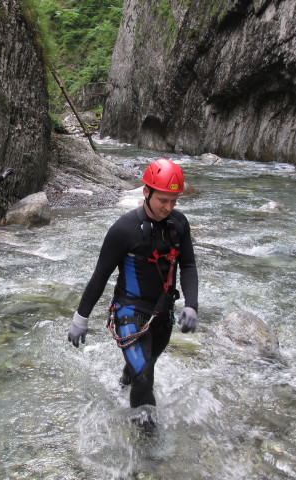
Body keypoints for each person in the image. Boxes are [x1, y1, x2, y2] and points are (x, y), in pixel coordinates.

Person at [67, 158, 198, 427]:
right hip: (129, 312)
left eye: (174, 200)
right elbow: (100, 276)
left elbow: (188, 264)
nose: (169, 207)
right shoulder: (123, 230)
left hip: (162, 315)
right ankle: (147, 445)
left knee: (145, 366)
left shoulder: (179, 224)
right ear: (146, 192)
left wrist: (191, 304)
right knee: (145, 377)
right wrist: (81, 318)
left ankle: (125, 380)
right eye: (163, 200)